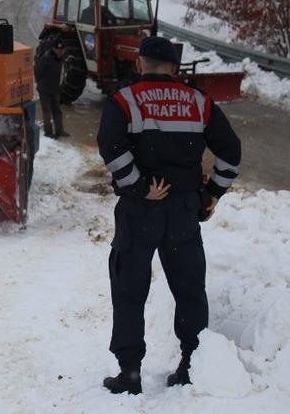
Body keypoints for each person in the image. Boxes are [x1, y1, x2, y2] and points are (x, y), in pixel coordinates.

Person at [96, 36, 242, 395]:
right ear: (175, 69)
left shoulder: (124, 100)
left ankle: (129, 372)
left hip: (140, 210)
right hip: (182, 211)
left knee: (130, 289)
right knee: (190, 288)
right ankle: (191, 365)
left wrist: (138, 186)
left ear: (139, 64)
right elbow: (231, 151)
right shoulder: (198, 101)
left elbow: (110, 147)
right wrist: (212, 194)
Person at [35, 39, 70, 138]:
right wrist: (42, 85)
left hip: (55, 90)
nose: (60, 52)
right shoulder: (46, 58)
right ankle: (48, 132)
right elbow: (37, 72)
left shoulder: (61, 58)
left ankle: (60, 131)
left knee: (57, 111)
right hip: (45, 90)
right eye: (58, 50)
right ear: (54, 49)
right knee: (47, 112)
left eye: (61, 50)